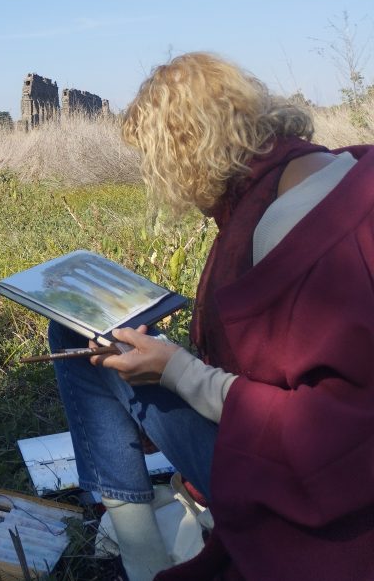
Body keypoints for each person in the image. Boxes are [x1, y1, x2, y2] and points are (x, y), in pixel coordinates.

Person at [49, 52, 374, 580]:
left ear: (188, 152)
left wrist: (175, 370)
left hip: (312, 491)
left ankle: (139, 556)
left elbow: (321, 428)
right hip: (312, 462)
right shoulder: (335, 170)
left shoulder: (283, 230)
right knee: (100, 337)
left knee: (73, 329)